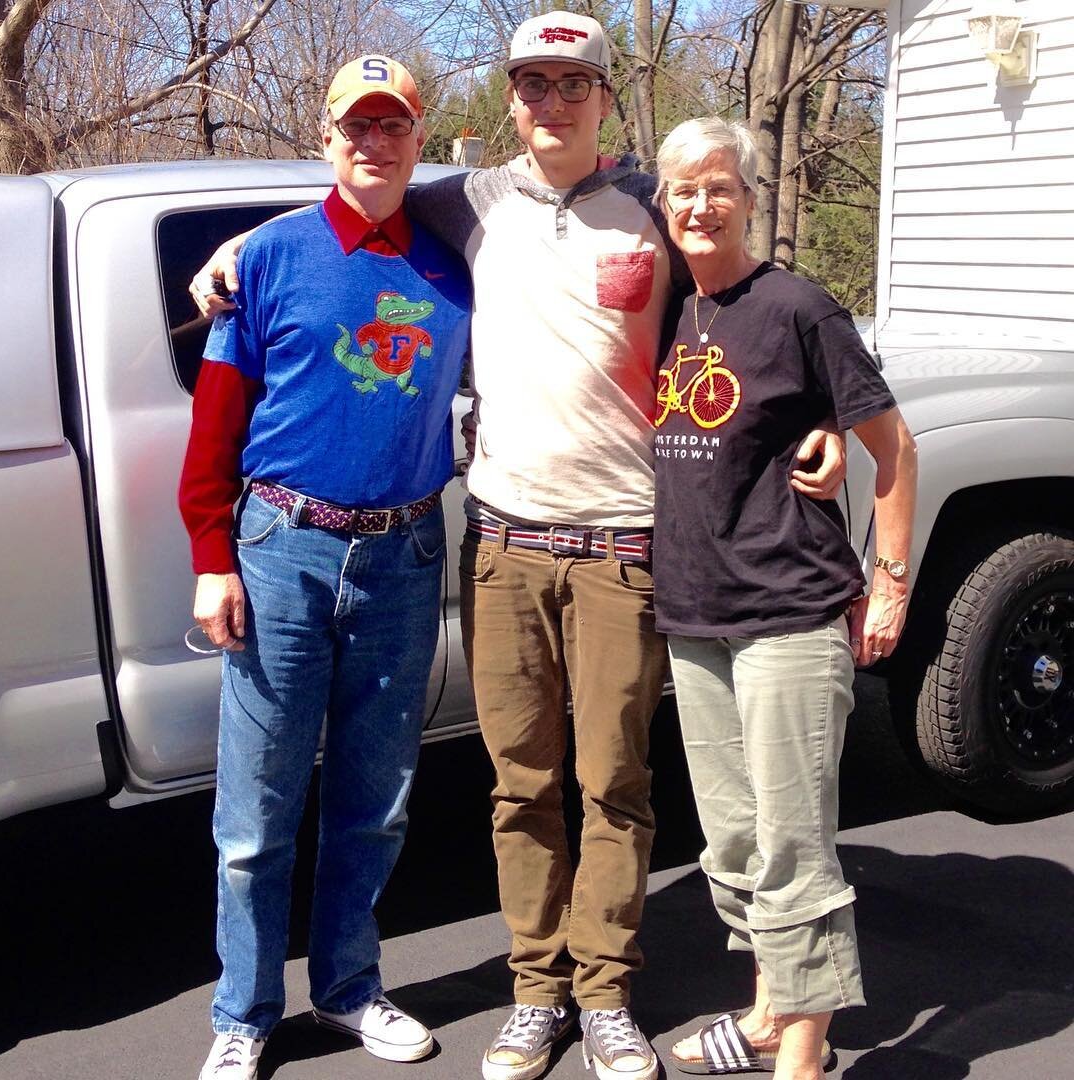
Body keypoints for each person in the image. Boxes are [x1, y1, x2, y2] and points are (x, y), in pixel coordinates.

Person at [189, 17, 845, 1080]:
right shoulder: (471, 202)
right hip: (493, 545)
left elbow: (750, 299)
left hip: (618, 543)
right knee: (513, 789)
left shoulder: (653, 205)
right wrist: (239, 247)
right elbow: (348, 207)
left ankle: (603, 997)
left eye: (573, 83)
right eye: (533, 82)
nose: (552, 100)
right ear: (510, 99)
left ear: (604, 97)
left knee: (612, 785)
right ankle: (529, 994)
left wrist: (825, 412)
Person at [178, 55, 470, 1080]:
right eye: (356, 125)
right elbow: (216, 427)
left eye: (393, 125)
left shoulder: (455, 263)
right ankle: (244, 1013)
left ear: (417, 139)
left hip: (405, 553)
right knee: (255, 814)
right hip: (281, 553)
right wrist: (212, 556)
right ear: (326, 135)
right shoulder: (267, 259)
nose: (373, 142)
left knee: (374, 800)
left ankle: (348, 987)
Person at [651, 117, 917, 1080]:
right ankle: (769, 1012)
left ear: (751, 199)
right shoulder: (669, 310)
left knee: (795, 844)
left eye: (719, 187)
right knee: (733, 841)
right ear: (662, 203)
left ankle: (802, 1055)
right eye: (684, 190)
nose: (701, 205)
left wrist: (890, 584)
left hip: (789, 612)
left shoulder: (798, 307)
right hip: (695, 615)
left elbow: (895, 446)